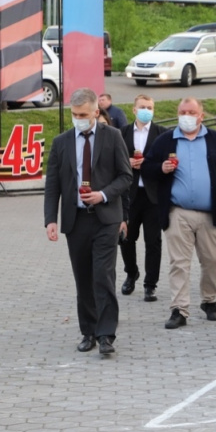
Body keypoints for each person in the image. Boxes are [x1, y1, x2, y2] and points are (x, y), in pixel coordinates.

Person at [44, 88, 132, 356]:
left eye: (83, 114)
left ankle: (106, 335)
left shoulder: (113, 137)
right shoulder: (61, 142)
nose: (78, 119)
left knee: (103, 277)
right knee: (83, 278)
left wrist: (103, 195)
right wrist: (50, 219)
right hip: (76, 221)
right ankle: (89, 331)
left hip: (106, 219)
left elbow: (125, 176)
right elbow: (53, 184)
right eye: (74, 114)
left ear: (96, 112)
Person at [142, 98, 216, 330]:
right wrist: (161, 168)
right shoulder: (166, 140)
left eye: (191, 112)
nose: (187, 116)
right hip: (178, 211)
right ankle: (179, 309)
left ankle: (209, 300)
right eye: (182, 112)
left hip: (211, 212)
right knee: (179, 263)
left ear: (201, 115)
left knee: (213, 260)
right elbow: (147, 167)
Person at [119, 94, 167, 302]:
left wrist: (147, 163)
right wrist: (126, 162)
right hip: (130, 194)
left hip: (153, 196)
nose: (146, 110)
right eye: (143, 107)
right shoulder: (122, 133)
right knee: (126, 239)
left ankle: (151, 284)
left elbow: (167, 162)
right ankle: (131, 273)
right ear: (134, 109)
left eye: (150, 107)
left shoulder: (162, 133)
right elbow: (114, 159)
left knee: (153, 241)